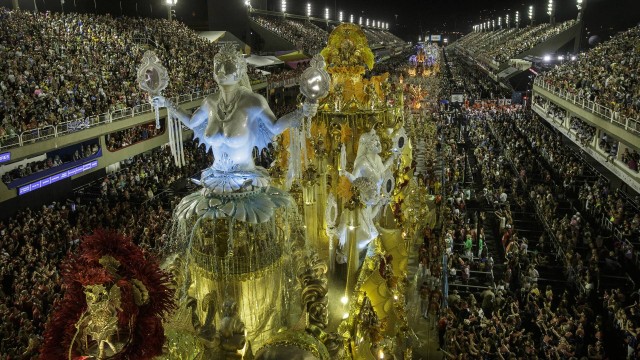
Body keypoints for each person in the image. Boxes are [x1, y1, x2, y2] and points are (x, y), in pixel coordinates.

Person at [154, 43, 316, 193]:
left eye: (228, 66)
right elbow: (191, 122)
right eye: (218, 66)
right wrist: (166, 103)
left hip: (247, 179)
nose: (222, 71)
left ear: (240, 71)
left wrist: (302, 112)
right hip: (214, 177)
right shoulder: (209, 102)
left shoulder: (253, 102)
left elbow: (274, 127)